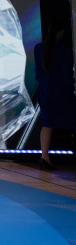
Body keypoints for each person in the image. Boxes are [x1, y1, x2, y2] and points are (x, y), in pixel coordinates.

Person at [34, 18, 76, 170]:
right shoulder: (65, 50)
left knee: (47, 124)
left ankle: (44, 157)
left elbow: (38, 74)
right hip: (61, 90)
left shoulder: (39, 48)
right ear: (61, 32)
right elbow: (67, 74)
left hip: (45, 90)